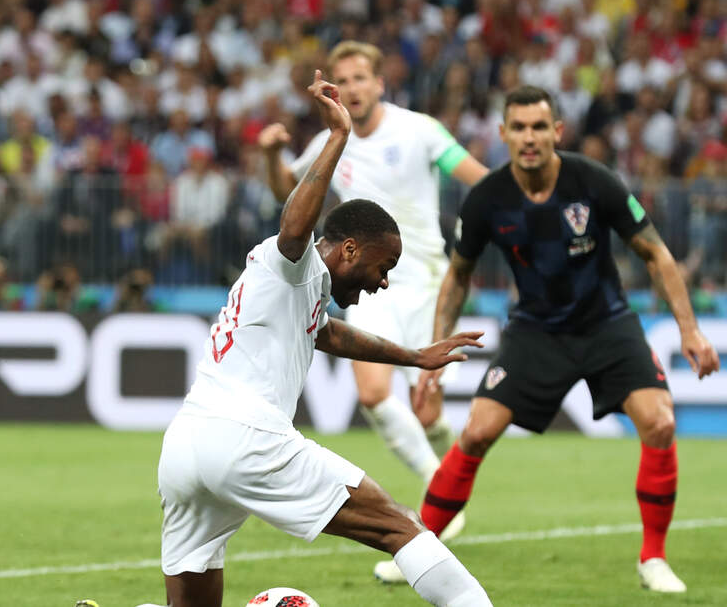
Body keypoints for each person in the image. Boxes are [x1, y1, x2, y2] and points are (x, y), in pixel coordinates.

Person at [153, 71, 492, 607]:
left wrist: (413, 357)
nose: (383, 282)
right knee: (400, 526)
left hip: (185, 446)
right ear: (350, 249)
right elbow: (294, 226)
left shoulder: (301, 291)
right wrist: (339, 136)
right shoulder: (292, 263)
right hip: (246, 437)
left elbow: (329, 333)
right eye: (384, 267)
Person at [375, 86, 720, 591]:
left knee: (660, 422)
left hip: (606, 324)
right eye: (519, 128)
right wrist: (437, 351)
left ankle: (653, 558)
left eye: (539, 127)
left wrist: (689, 330)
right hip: (535, 331)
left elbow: (656, 253)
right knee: (477, 431)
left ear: (557, 131)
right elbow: (458, 276)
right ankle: (417, 548)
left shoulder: (594, 181)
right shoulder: (488, 198)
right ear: (503, 134)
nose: (529, 137)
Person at [263, 41, 489, 535]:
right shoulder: (332, 139)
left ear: (379, 83)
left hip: (428, 285)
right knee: (372, 393)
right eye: (342, 80)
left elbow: (480, 179)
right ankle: (438, 488)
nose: (352, 88)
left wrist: (498, 220)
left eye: (360, 78)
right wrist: (271, 152)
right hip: (371, 286)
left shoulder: (419, 130)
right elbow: (286, 190)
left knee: (425, 411)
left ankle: (443, 460)